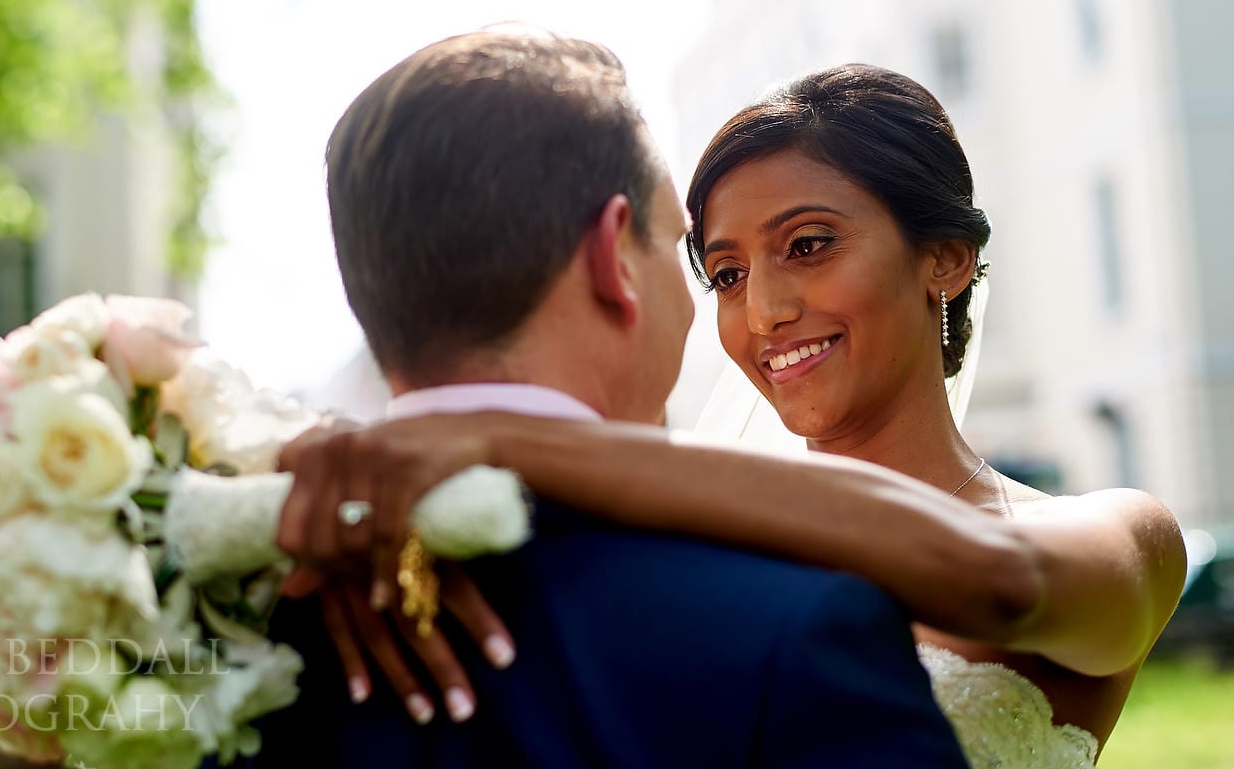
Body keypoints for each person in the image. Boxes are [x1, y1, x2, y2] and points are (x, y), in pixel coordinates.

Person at [275, 62, 1188, 769]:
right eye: (727, 273)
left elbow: (995, 581)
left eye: (809, 244)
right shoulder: (689, 545)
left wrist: (504, 435)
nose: (764, 313)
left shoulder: (1121, 534)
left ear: (943, 259)